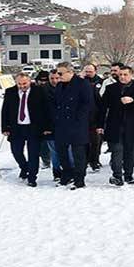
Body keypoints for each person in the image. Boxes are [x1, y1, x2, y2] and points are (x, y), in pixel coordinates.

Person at [1, 73, 53, 187]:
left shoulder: (39, 91)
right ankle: (24, 168)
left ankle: (32, 177)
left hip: (34, 127)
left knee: (33, 153)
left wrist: (47, 127)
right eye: (19, 84)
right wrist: (5, 127)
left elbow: (47, 109)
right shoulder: (10, 92)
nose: (22, 86)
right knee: (16, 151)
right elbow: (5, 110)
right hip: (16, 128)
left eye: (24, 83)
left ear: (30, 81)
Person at [99, 66, 134, 186]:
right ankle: (117, 175)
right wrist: (100, 124)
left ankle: (129, 175)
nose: (122, 77)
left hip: (133, 125)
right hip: (115, 124)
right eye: (120, 75)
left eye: (125, 75)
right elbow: (103, 107)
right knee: (117, 151)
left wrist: (133, 100)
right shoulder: (111, 88)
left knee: (130, 151)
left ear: (131, 75)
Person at [53, 61, 93, 190]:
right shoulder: (59, 85)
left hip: (76, 125)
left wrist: (78, 119)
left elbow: (87, 104)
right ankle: (67, 175)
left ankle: (79, 179)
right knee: (62, 152)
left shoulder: (82, 84)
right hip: (61, 125)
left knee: (78, 154)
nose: (58, 76)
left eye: (61, 73)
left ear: (70, 72)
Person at [82, 64, 105, 171]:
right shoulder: (81, 82)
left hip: (96, 116)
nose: (88, 74)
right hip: (84, 117)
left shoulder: (100, 82)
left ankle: (95, 161)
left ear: (95, 71)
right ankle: (86, 160)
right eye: (86, 72)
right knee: (84, 140)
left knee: (96, 141)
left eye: (90, 72)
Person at [35, 70, 53, 169]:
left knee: (48, 142)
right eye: (41, 81)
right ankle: (44, 160)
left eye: (45, 81)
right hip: (37, 120)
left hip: (50, 119)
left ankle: (48, 160)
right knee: (40, 143)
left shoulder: (51, 89)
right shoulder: (35, 90)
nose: (43, 83)